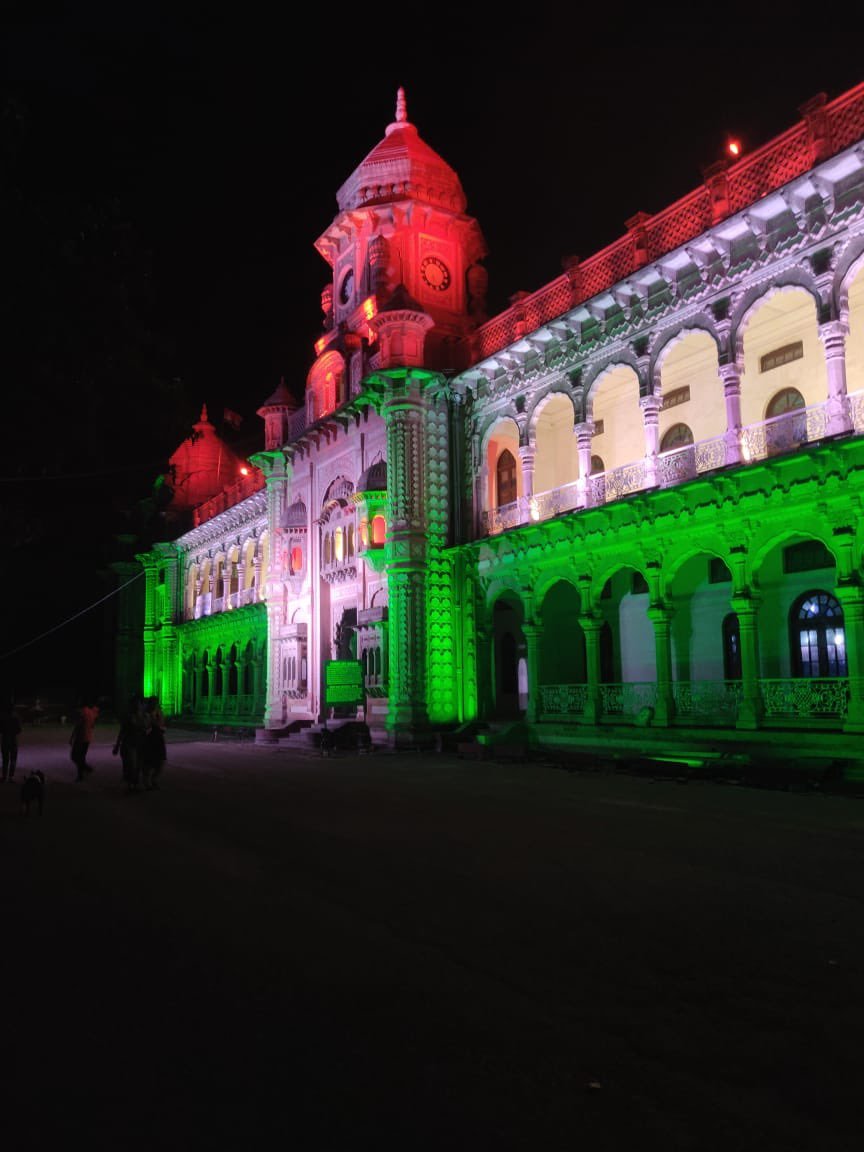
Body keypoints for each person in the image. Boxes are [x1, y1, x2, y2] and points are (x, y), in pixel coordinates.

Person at [112, 695, 149, 792]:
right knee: (131, 764)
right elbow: (122, 731)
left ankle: (134, 784)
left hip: (141, 743)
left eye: (139, 703)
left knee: (138, 765)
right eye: (135, 704)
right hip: (130, 743)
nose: (137, 705)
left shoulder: (145, 716)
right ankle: (130, 784)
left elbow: (147, 729)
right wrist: (117, 745)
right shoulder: (128, 716)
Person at [70, 697, 100, 782]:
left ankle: (82, 772)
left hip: (80, 738)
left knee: (75, 756)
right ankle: (84, 770)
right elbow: (93, 725)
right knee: (81, 756)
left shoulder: (82, 712)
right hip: (88, 738)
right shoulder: (92, 712)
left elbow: (77, 726)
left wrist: (72, 737)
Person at [141, 695, 167, 790]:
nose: (155, 705)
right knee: (148, 762)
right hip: (149, 740)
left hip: (159, 739)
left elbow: (162, 724)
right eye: (153, 703)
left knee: (161, 761)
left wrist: (161, 726)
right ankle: (147, 782)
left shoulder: (159, 712)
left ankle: (153, 780)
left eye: (156, 703)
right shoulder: (146, 714)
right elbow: (146, 727)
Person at [1, 701, 22, 783]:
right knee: (13, 759)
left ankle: (4, 776)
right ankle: (11, 777)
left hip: (5, 740)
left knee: (5, 759)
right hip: (13, 740)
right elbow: (19, 730)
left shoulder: (3, 718)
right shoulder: (16, 718)